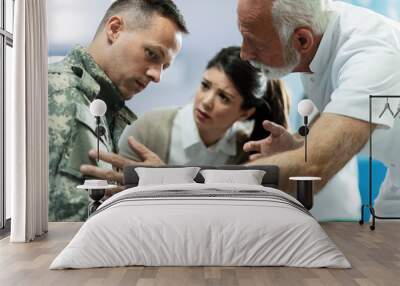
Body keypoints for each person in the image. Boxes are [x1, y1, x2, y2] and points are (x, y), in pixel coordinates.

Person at [236, 0, 400, 216]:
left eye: (256, 43)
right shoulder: (317, 28)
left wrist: (221, 185)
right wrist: (298, 145)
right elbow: (335, 111)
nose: (244, 53)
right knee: (382, 245)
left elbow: (312, 168)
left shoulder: (370, 57)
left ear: (302, 40)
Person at [48, 0, 188, 221]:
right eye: (152, 54)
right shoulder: (52, 90)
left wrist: (160, 188)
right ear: (114, 29)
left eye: (165, 66)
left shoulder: (122, 122)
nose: (157, 76)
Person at [79, 46, 290, 178]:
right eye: (205, 86)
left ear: (245, 113)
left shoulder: (245, 152)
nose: (206, 102)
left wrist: (166, 181)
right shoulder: (148, 129)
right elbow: (117, 201)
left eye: (224, 97)